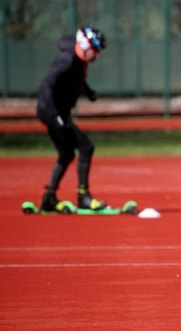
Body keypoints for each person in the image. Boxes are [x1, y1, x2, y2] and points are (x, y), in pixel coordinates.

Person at [37, 26, 109, 212]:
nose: (97, 55)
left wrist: (88, 92)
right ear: (86, 45)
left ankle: (49, 197)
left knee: (67, 153)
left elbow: (76, 80)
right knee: (86, 146)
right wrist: (54, 116)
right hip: (52, 112)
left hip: (56, 113)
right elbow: (47, 86)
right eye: (96, 50)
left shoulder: (77, 61)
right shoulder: (67, 60)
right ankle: (83, 196)